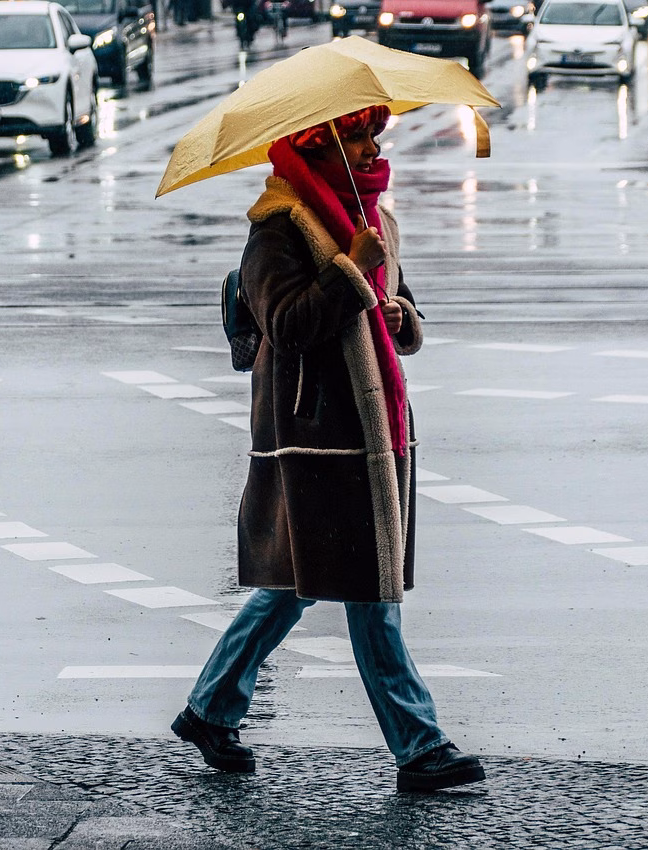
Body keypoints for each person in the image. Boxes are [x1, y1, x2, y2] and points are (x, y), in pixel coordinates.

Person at [171, 105, 485, 793]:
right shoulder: (277, 230)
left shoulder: (374, 219)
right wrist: (349, 271)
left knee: (292, 585)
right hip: (317, 441)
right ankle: (419, 745)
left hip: (378, 430)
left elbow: (395, 304)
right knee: (371, 594)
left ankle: (211, 707)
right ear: (318, 146)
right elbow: (286, 327)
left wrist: (401, 316)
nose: (372, 145)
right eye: (355, 135)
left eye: (372, 132)